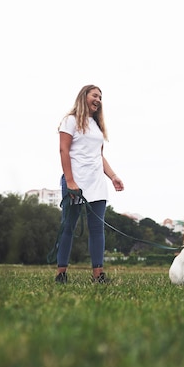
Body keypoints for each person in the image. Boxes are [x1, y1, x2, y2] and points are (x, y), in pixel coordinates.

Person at [55, 85, 124, 284]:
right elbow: (63, 150)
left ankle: (98, 275)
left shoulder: (96, 126)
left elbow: (99, 156)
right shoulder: (70, 121)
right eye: (95, 95)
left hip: (96, 183)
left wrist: (113, 176)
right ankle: (61, 273)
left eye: (100, 97)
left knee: (97, 229)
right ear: (84, 96)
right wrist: (69, 181)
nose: (98, 100)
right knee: (68, 227)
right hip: (75, 181)